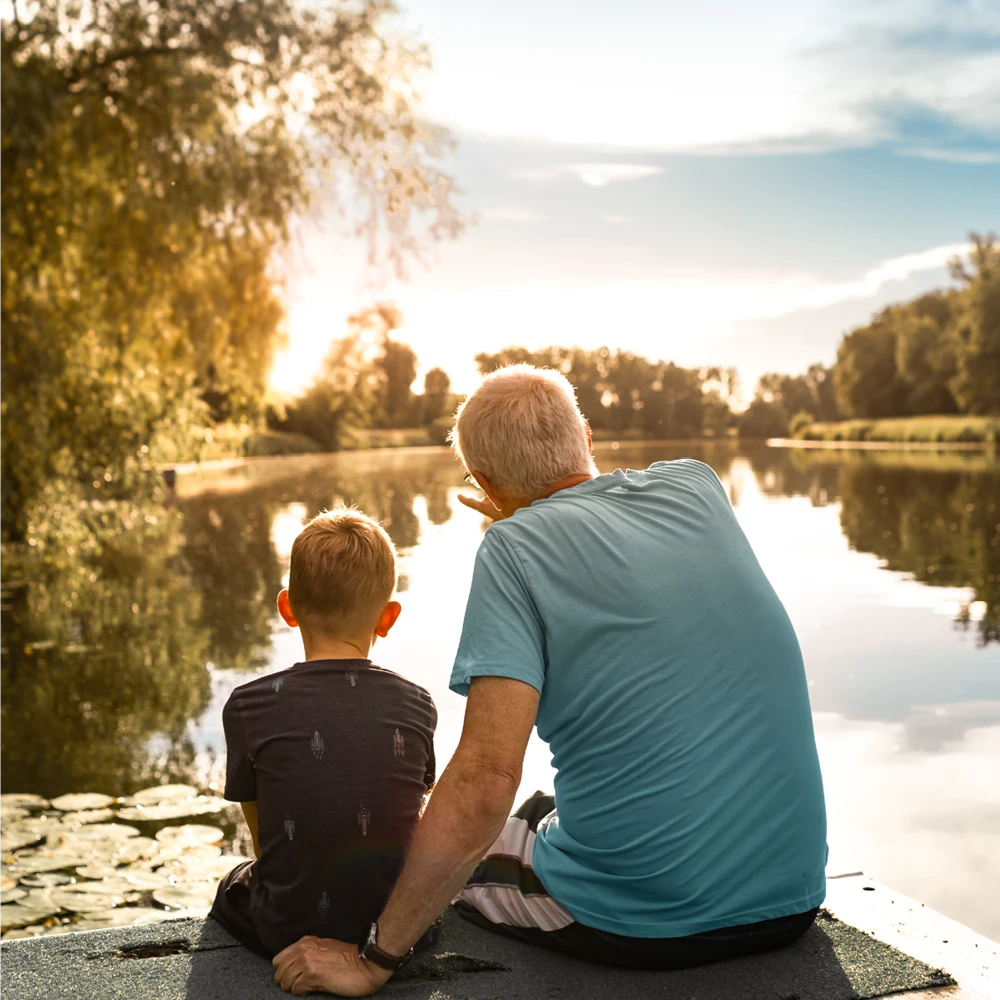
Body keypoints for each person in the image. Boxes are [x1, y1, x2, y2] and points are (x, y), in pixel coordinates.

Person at [272, 365, 827, 996]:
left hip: (648, 923)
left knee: (442, 846)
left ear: (482, 482)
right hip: (792, 898)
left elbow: (486, 781)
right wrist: (526, 509)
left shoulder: (511, 549)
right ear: (585, 435)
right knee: (539, 809)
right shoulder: (697, 485)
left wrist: (374, 958)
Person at [209, 508, 438, 959]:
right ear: (387, 618)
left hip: (286, 929)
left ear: (287, 608)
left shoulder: (247, 706)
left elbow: (264, 841)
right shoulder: (418, 704)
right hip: (403, 930)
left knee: (232, 884)